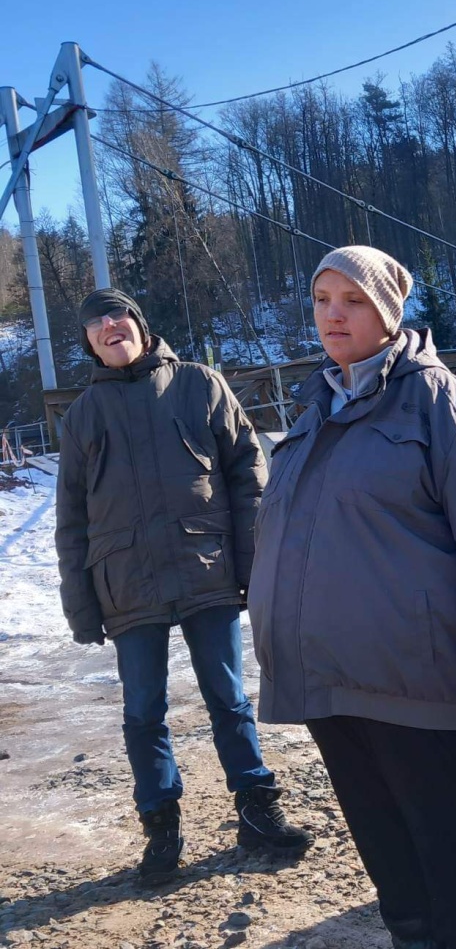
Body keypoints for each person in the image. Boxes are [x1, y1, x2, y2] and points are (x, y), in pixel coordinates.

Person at [248, 246, 456, 949]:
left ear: (389, 310)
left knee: (449, 828)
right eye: (321, 298)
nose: (333, 314)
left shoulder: (441, 407)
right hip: (329, 677)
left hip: (420, 674)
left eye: (352, 299)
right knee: (378, 827)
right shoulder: (316, 409)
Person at [55, 287, 311, 883]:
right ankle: (161, 827)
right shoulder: (82, 417)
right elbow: (72, 520)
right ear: (89, 343)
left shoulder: (200, 384)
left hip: (205, 566)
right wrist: (81, 605)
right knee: (143, 711)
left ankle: (256, 809)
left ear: (139, 323)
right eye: (95, 324)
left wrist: (254, 566)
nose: (109, 326)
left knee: (229, 697)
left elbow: (248, 478)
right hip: (126, 581)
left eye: (118, 315)